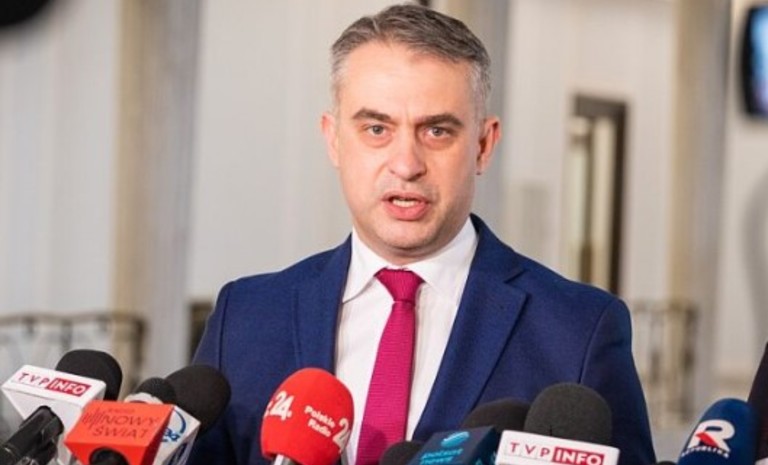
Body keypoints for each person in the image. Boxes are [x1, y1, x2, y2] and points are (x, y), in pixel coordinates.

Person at [188, 4, 656, 465]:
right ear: (333, 139)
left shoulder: (578, 331)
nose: (406, 164)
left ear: (483, 144)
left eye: (436, 131)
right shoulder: (245, 318)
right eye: (377, 128)